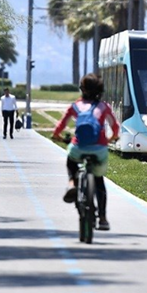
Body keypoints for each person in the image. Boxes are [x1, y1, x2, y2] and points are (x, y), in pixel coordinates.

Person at [52, 74, 120, 231]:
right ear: (99, 90)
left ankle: (71, 183)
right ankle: (102, 218)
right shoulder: (103, 107)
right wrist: (111, 138)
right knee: (99, 182)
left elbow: (60, 125)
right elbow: (115, 127)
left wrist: (57, 136)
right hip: (99, 149)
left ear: (82, 89)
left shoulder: (75, 106)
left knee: (71, 160)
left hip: (78, 147)